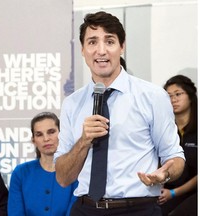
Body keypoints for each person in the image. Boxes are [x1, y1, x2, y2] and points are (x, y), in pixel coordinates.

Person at [54, 11, 185, 216]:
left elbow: (175, 157)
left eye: (109, 41)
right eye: (92, 42)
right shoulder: (72, 103)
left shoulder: (152, 96)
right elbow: (62, 177)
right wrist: (83, 141)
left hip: (138, 209)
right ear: (82, 50)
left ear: (121, 47)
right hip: (86, 209)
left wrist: (165, 173)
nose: (101, 51)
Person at [8, 112, 78, 216]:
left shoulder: (76, 171)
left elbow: (75, 211)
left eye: (51, 132)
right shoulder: (21, 173)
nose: (46, 139)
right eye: (39, 134)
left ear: (62, 134)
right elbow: (15, 212)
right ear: (33, 140)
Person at [159, 75, 197, 216]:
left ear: (190, 95)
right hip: (168, 190)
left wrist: (174, 193)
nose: (173, 99)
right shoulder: (165, 128)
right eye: (169, 96)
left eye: (178, 94)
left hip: (193, 191)